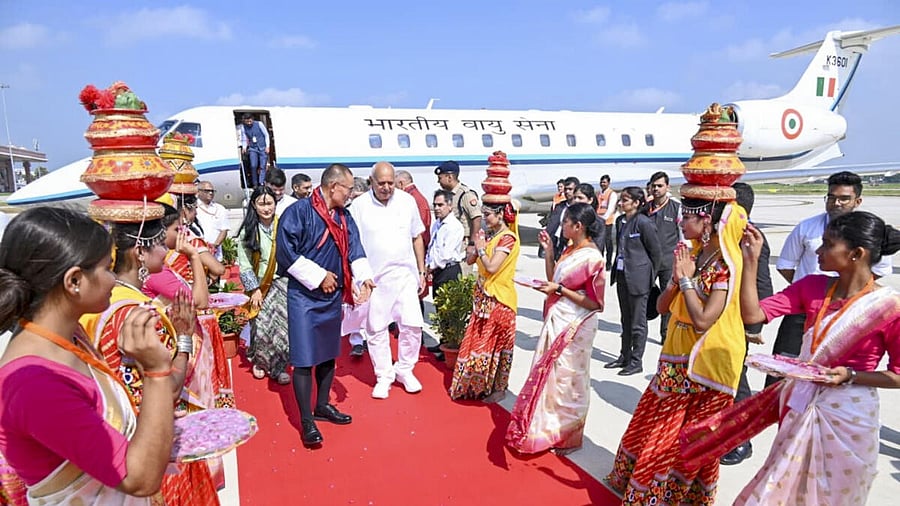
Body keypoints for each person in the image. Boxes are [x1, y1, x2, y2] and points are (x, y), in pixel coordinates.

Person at [0, 208, 174, 504]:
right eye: (108, 269)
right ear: (75, 281)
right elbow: (140, 477)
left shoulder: (69, 336)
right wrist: (157, 372)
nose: (114, 281)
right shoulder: (35, 384)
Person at [727, 211, 900, 505]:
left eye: (828, 245)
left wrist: (851, 376)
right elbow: (753, 314)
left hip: (848, 416)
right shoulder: (812, 287)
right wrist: (751, 262)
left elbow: (897, 375)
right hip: (801, 403)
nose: (818, 251)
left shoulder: (888, 308)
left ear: (856, 254)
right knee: (779, 488)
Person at [606, 196, 748, 505]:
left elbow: (703, 320)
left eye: (687, 217)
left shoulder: (724, 266)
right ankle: (647, 484)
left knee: (679, 436)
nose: (680, 223)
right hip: (674, 354)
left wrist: (685, 279)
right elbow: (660, 307)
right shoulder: (693, 254)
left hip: (704, 362)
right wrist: (675, 280)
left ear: (707, 223)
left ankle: (665, 494)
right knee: (656, 425)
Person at [80, 209, 220, 504]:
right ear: (140, 252)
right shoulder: (137, 313)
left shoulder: (107, 303)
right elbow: (167, 388)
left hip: (119, 441)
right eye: (161, 244)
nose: (167, 252)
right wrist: (183, 337)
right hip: (152, 447)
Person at [276, 163, 374, 447]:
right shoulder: (298, 212)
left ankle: (322, 405)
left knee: (329, 353)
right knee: (305, 359)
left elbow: (354, 247)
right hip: (305, 297)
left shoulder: (344, 216)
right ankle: (306, 421)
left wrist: (365, 277)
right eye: (348, 189)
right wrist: (319, 277)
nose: (352, 194)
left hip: (333, 295)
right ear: (334, 187)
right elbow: (286, 254)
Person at [770, 171, 892, 386]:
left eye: (844, 198)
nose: (836, 203)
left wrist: (851, 291)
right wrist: (810, 293)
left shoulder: (869, 232)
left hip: (852, 312)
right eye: (832, 197)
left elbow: (879, 270)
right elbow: (786, 265)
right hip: (805, 309)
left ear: (858, 201)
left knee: (829, 370)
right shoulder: (806, 227)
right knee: (781, 369)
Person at [506, 203, 605, 455]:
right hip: (559, 316)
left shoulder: (593, 258)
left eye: (565, 223)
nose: (562, 227)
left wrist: (559, 291)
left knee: (569, 380)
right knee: (551, 380)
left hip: (576, 324)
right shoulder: (571, 250)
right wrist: (549, 251)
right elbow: (555, 280)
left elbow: (595, 303)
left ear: (578, 226)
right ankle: (548, 430)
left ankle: (569, 435)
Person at [349, 162, 426, 399]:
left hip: (405, 275)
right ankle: (384, 376)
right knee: (376, 328)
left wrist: (422, 271)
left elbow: (417, 237)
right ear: (371, 181)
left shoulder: (407, 201)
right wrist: (356, 277)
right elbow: (351, 245)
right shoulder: (359, 206)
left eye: (390, 183)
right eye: (381, 183)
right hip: (374, 279)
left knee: (413, 325)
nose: (386, 187)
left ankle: (405, 369)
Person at [720, 182, 773, 466]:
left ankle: (742, 441)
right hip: (720, 317)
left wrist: (754, 326)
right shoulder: (726, 233)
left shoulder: (750, 237)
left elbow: (761, 281)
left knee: (737, 379)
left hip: (740, 320)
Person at [449, 201, 520, 403]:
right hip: (483, 299)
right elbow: (471, 261)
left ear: (500, 215)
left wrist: (481, 249)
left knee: (497, 347)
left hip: (499, 300)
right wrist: (475, 246)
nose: (484, 219)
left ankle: (498, 388)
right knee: (479, 345)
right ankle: (477, 386)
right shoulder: (491, 236)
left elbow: (492, 267)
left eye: (487, 214)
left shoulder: (508, 239)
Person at [237, 186, 291, 385]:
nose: (266, 208)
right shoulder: (248, 232)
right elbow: (244, 265)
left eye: (270, 203)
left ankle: (278, 368)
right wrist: (255, 289)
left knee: (282, 327)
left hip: (283, 283)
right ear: (254, 205)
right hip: (260, 286)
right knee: (261, 327)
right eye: (262, 204)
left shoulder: (283, 226)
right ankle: (260, 361)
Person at [608, 187, 661, 376]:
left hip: (639, 279)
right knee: (626, 319)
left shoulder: (643, 223)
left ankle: (637, 361)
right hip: (622, 275)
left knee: (638, 322)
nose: (621, 203)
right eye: (621, 200)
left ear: (637, 203)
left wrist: (649, 276)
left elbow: (656, 252)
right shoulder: (621, 221)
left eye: (625, 200)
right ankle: (625, 356)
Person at [645, 171, 681, 344]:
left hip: (668, 262)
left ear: (668, 187)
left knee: (668, 299)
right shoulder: (645, 208)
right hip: (648, 263)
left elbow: (683, 236)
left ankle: (665, 334)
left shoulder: (676, 208)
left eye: (660, 186)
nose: (656, 189)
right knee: (644, 297)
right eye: (654, 186)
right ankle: (639, 331)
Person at [396, 169, 432, 315]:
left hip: (416, 255)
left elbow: (419, 233)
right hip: (415, 254)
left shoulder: (413, 200)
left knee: (415, 300)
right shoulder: (414, 198)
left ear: (400, 183)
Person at [435, 161, 482, 257]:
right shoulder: (446, 195)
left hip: (462, 243)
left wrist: (472, 244)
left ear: (449, 177)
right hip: (448, 242)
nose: (438, 181)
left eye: (440, 178)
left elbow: (477, 218)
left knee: (462, 271)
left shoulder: (466, 195)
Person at [427, 189, 465, 302]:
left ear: (450, 206)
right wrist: (428, 263)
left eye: (440, 205)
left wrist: (430, 266)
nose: (437, 208)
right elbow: (432, 247)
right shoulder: (437, 224)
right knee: (439, 306)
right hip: (437, 270)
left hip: (449, 270)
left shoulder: (454, 226)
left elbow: (445, 254)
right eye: (435, 205)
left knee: (449, 309)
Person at [545, 177, 579, 259]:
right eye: (566, 189)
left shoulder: (580, 209)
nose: (567, 192)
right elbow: (551, 225)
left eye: (570, 189)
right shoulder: (560, 206)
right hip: (559, 245)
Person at [195, 180, 230, 261]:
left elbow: (224, 230)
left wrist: (215, 245)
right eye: (207, 191)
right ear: (198, 192)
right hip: (197, 253)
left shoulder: (220, 208)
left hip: (215, 254)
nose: (210, 193)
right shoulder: (193, 207)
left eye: (212, 191)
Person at [239, 113, 269, 187]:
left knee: (262, 166)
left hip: (262, 147)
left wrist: (267, 146)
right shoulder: (243, 127)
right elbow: (243, 139)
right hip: (253, 148)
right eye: (247, 122)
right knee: (253, 165)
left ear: (252, 119)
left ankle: (261, 182)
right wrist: (244, 147)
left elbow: (266, 135)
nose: (249, 123)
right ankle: (254, 183)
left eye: (250, 121)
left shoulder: (259, 124)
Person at [597, 175, 618, 269]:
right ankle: (600, 262)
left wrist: (603, 218)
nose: (602, 184)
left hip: (607, 221)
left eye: (604, 182)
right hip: (598, 220)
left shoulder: (612, 194)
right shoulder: (599, 194)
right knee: (599, 243)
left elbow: (610, 208)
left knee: (608, 242)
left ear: (608, 183)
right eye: (601, 182)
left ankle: (608, 263)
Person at [572, 182, 602, 250]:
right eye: (574, 197)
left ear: (590, 200)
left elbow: (598, 247)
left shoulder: (598, 222)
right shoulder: (569, 218)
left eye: (580, 198)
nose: (576, 200)